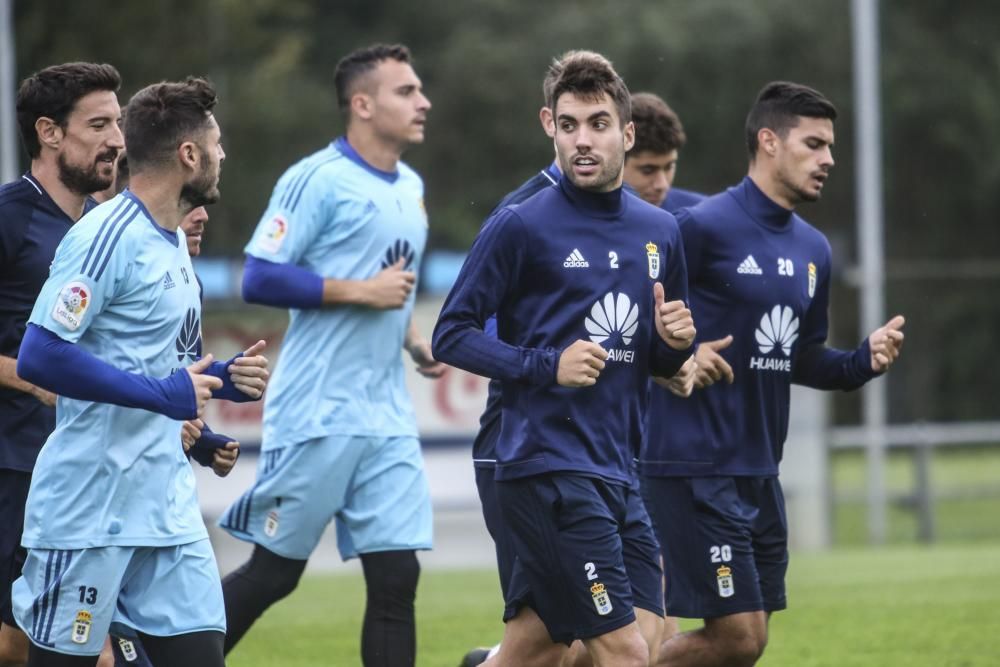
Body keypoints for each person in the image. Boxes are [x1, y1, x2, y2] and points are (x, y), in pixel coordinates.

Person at [434, 52, 695, 667]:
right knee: (625, 652)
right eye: (571, 124)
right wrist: (545, 364)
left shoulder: (661, 231)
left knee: (601, 641)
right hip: (546, 469)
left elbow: (654, 358)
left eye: (599, 124)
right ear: (548, 124)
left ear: (626, 134)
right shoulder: (520, 224)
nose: (584, 140)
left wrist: (674, 344)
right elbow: (452, 334)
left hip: (619, 468)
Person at [639, 81, 905, 667]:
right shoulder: (699, 227)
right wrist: (680, 355)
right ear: (769, 141)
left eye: (830, 146)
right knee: (735, 637)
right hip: (691, 464)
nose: (828, 159)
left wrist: (862, 359)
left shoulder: (814, 249)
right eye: (814, 144)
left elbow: (803, 357)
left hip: (759, 469)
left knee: (748, 643)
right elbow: (635, 324)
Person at [11, 76, 269, 667]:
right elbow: (41, 354)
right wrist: (164, 392)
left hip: (166, 510)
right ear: (189, 154)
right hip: (89, 512)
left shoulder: (175, 242)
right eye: (217, 144)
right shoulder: (105, 236)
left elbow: (163, 367)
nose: (223, 155)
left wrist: (220, 378)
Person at [218, 43, 443, 667]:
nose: (423, 101)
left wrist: (410, 339)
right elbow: (258, 277)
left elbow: (386, 288)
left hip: (386, 417)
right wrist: (361, 293)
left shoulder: (414, 188)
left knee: (398, 578)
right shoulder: (316, 178)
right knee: (274, 575)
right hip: (320, 411)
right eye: (407, 91)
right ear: (363, 104)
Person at [0, 62, 124, 667]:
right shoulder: (9, 216)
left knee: (88, 634)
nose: (118, 141)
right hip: (15, 460)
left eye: (119, 124)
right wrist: (37, 378)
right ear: (49, 133)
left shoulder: (108, 229)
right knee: (17, 638)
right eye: (98, 124)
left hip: (92, 462)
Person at [623, 92, 703, 213]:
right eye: (648, 170)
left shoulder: (699, 217)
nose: (662, 185)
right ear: (616, 162)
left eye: (669, 167)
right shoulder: (587, 221)